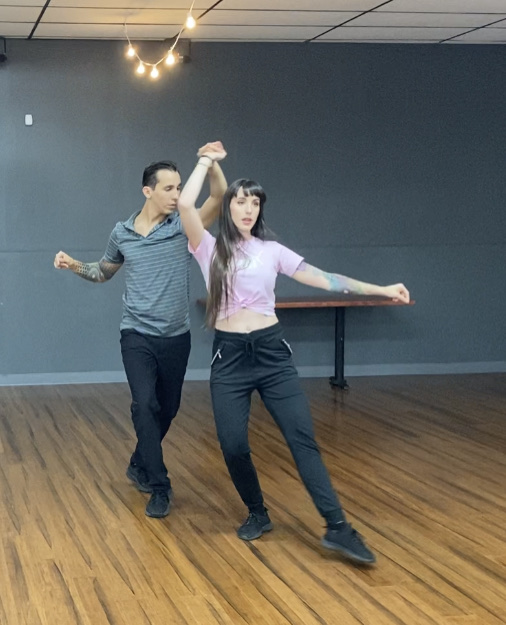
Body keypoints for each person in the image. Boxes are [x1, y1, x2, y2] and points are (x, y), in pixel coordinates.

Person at [176, 149, 410, 564]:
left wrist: (381, 289)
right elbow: (184, 204)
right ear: (228, 207)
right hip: (229, 358)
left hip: (272, 355)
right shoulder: (207, 247)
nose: (248, 208)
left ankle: (338, 527)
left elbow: (327, 280)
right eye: (240, 201)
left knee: (302, 440)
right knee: (232, 444)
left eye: (255, 202)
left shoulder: (272, 251)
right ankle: (258, 512)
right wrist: (205, 161)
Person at [54, 143, 227, 519]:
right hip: (136, 335)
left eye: (179, 187)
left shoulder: (183, 226)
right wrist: (73, 264)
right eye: (169, 188)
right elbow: (103, 272)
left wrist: (212, 164)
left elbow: (217, 197)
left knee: (168, 408)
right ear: (148, 190)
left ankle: (138, 463)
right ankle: (160, 485)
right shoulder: (122, 234)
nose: (177, 195)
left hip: (176, 337)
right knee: (145, 404)